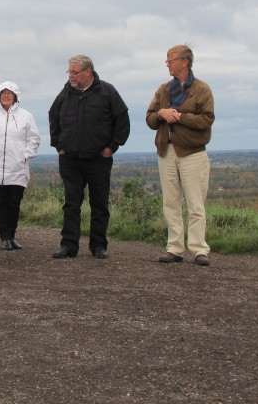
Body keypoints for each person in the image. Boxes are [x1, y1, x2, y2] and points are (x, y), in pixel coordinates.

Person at [48, 55, 130, 260]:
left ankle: (99, 245)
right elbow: (53, 116)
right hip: (70, 159)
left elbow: (122, 119)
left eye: (74, 72)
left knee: (99, 204)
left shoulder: (107, 91)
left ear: (88, 72)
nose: (71, 76)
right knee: (71, 204)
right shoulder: (65, 93)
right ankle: (68, 246)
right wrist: (58, 145)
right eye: (69, 71)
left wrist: (112, 147)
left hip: (98, 159)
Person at [146, 44, 215, 266]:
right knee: (171, 202)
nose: (167, 64)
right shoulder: (163, 90)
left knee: (196, 204)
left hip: (192, 153)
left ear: (184, 62)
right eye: (167, 61)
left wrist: (180, 117)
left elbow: (206, 120)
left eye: (171, 60)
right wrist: (161, 113)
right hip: (166, 151)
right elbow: (149, 118)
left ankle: (199, 250)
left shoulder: (202, 89)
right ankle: (174, 248)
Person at [0, 81, 41, 250]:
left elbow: (33, 138)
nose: (6, 96)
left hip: (17, 167)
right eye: (3, 93)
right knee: (0, 203)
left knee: (14, 203)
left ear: (16, 96)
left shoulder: (26, 116)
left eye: (10, 93)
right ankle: (4, 237)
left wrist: (26, 155)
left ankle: (12, 235)